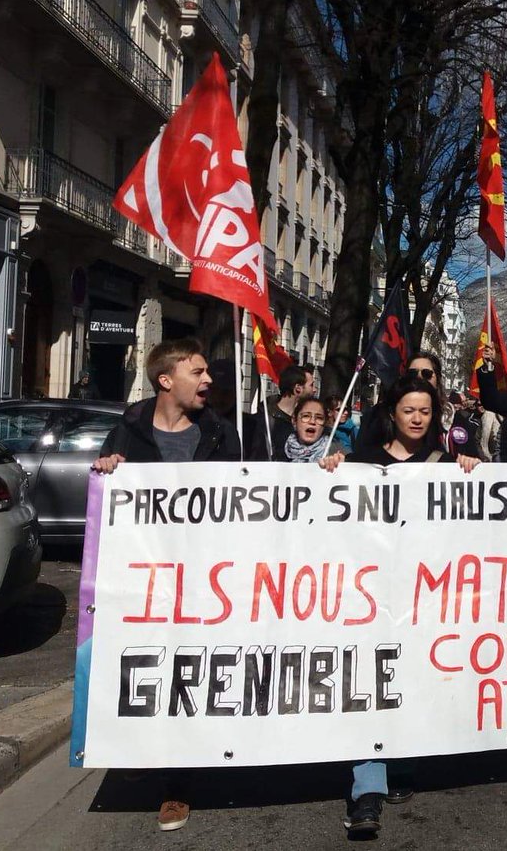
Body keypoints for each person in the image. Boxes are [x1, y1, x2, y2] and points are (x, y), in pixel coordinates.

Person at [91, 337, 241, 831]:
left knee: (186, 674)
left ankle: (177, 784)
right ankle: (134, 745)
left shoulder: (221, 434)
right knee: (139, 662)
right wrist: (108, 469)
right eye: (197, 372)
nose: (208, 380)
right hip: (140, 579)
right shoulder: (128, 430)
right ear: (165, 379)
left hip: (202, 580)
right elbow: (106, 496)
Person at [344, 375, 477, 836]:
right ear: (392, 414)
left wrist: (471, 472)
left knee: (409, 680)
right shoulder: (361, 464)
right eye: (408, 411)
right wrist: (330, 471)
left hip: (424, 595)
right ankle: (367, 791)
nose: (417, 418)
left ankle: (401, 761)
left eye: (425, 411)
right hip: (372, 596)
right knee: (371, 681)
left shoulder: (445, 465)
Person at [251, 365, 313, 459]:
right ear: (298, 389)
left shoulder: (306, 422)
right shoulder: (263, 422)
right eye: (311, 385)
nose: (315, 390)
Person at [268, 395, 347, 463]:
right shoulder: (279, 449)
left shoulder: (336, 450)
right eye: (306, 416)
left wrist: (340, 465)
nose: (312, 422)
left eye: (319, 418)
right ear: (294, 420)